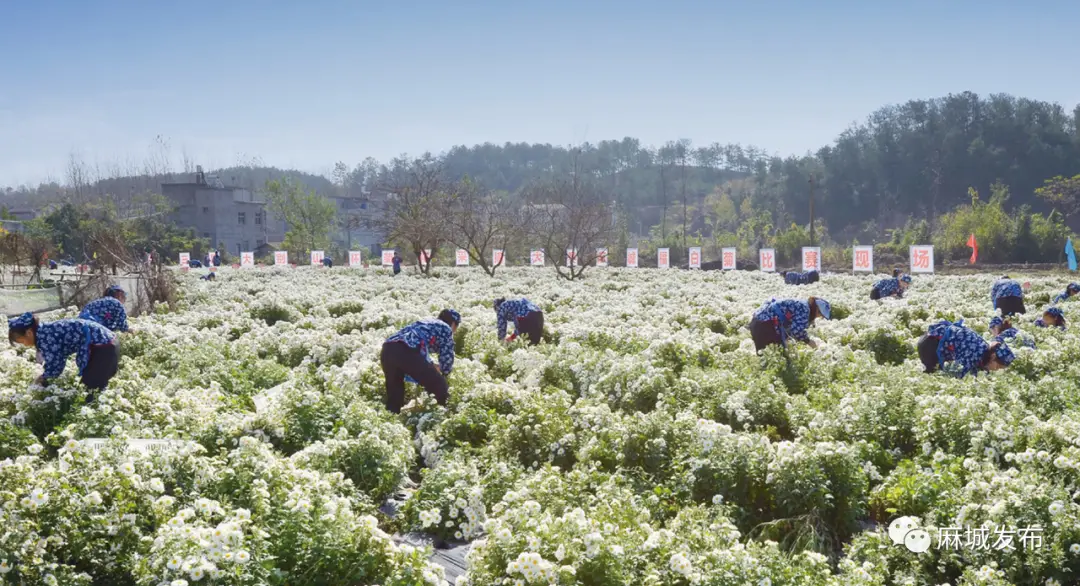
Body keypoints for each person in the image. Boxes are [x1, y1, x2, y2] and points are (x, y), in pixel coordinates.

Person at [7, 312, 119, 394]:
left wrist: (42, 380)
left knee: (91, 390)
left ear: (29, 332)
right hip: (108, 343)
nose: (25, 345)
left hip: (103, 347)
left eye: (22, 341)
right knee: (93, 388)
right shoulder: (45, 331)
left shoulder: (45, 336)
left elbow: (56, 364)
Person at [380, 309, 460, 413]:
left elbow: (419, 346)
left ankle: (390, 419)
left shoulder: (426, 323)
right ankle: (442, 417)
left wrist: (431, 366)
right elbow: (447, 359)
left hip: (388, 349)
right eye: (457, 326)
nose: (455, 331)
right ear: (453, 323)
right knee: (438, 384)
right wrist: (444, 373)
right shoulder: (445, 328)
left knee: (395, 394)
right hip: (406, 350)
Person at [917, 319, 1014, 377]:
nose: (995, 370)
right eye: (997, 366)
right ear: (993, 357)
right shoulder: (975, 352)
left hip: (933, 341)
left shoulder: (983, 351)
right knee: (932, 374)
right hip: (929, 345)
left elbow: (978, 368)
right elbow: (958, 375)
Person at [748, 297, 832, 352]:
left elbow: (791, 326)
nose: (819, 317)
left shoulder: (803, 304)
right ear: (817, 309)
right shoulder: (805, 310)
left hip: (759, 322)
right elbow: (797, 330)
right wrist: (809, 342)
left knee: (777, 355)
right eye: (820, 314)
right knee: (771, 358)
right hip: (763, 325)